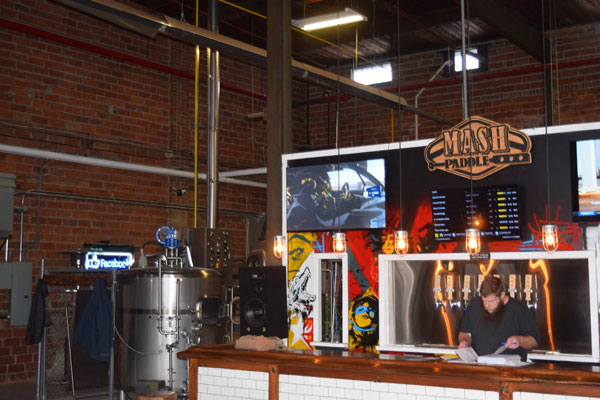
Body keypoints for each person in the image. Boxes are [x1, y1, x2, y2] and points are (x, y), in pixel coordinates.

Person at [458, 276, 539, 361]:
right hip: (480, 366)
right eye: (484, 300)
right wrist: (464, 341)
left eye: (491, 301)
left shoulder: (518, 309)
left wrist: (519, 340)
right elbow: (464, 333)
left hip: (510, 369)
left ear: (502, 295)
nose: (486, 305)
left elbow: (534, 341)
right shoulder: (474, 305)